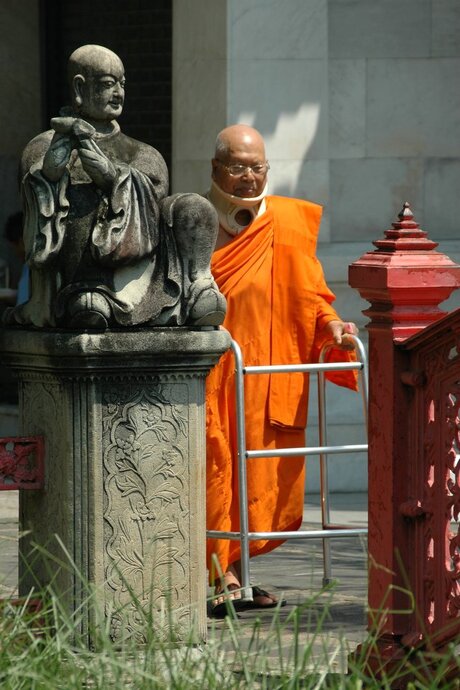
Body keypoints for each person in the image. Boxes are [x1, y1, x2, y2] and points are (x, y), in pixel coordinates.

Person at [205, 124, 359, 616]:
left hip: (269, 377)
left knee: (260, 481)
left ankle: (238, 573)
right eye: (238, 166)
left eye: (258, 167)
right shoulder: (192, 221)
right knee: (215, 469)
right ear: (216, 170)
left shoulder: (289, 223)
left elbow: (313, 299)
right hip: (211, 375)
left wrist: (335, 327)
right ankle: (219, 574)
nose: (249, 177)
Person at [6, 44, 224, 330]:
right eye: (109, 84)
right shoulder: (45, 147)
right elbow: (37, 219)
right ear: (80, 88)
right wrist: (50, 175)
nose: (119, 92)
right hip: (83, 274)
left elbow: (153, 212)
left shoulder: (142, 152)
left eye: (122, 84)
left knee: (193, 206)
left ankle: (198, 288)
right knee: (81, 202)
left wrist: (113, 178)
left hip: (147, 271)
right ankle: (89, 298)